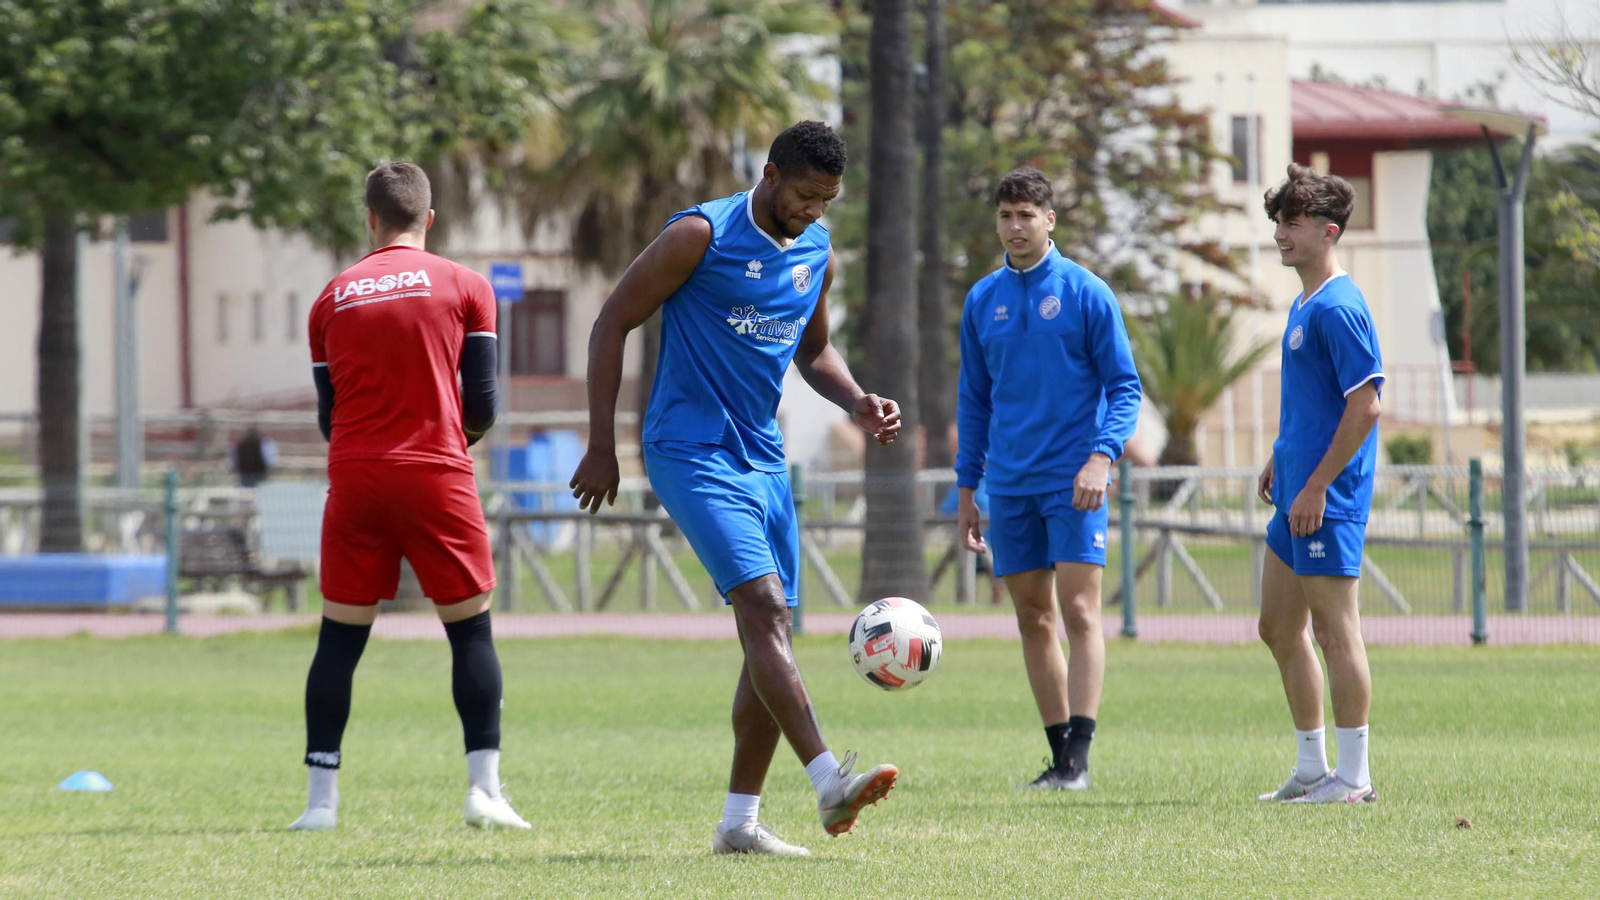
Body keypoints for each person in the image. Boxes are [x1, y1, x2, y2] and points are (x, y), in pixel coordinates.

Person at [570, 121, 902, 857]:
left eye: (828, 201)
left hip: (763, 457)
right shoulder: (699, 235)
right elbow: (610, 323)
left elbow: (813, 353)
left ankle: (740, 826)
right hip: (688, 448)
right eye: (805, 196)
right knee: (762, 606)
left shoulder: (817, 253)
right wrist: (602, 444)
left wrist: (857, 402)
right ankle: (827, 780)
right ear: (771, 173)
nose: (814, 213)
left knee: (771, 631)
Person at [289, 161, 527, 831]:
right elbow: (481, 402)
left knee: (340, 639)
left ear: (369, 218)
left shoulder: (331, 298)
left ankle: (320, 804)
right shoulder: (466, 285)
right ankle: (484, 793)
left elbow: (328, 418)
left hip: (356, 474)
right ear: (428, 218)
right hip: (436, 470)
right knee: (470, 630)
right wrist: (452, 441)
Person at [954, 167, 1142, 791]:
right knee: (1033, 618)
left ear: (1049, 220)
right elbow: (974, 402)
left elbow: (1124, 386)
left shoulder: (1088, 293)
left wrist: (1102, 457)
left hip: (1074, 481)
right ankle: (1059, 758)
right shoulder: (982, 300)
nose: (1014, 227)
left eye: (1026, 216)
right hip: (1008, 485)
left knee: (1080, 611)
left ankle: (1080, 758)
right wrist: (967, 489)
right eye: (1005, 216)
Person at [1255, 164, 1383, 804]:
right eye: (1278, 220)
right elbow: (1316, 402)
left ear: (1328, 231)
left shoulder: (1338, 306)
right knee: (1277, 626)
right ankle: (1312, 769)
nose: (1280, 231)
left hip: (1324, 500)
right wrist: (1281, 459)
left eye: (1293, 221)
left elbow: (1366, 405)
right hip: (1295, 490)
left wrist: (1318, 487)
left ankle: (1354, 780)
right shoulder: (1306, 302)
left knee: (1335, 630)